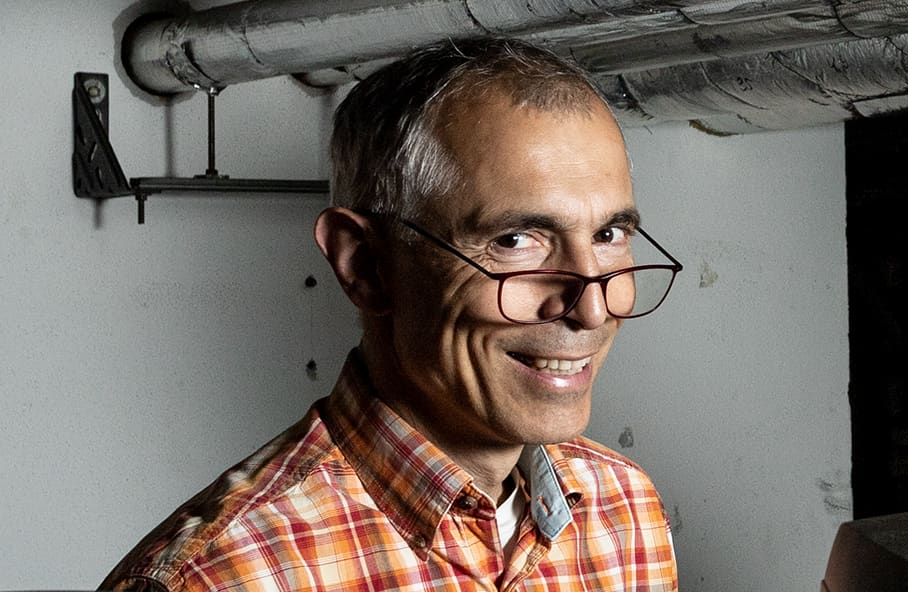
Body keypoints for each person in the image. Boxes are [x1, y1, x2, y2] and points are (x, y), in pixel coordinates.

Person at [100, 37, 681, 591]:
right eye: (513, 240)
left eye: (609, 234)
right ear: (366, 265)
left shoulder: (623, 509)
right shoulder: (215, 578)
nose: (593, 306)